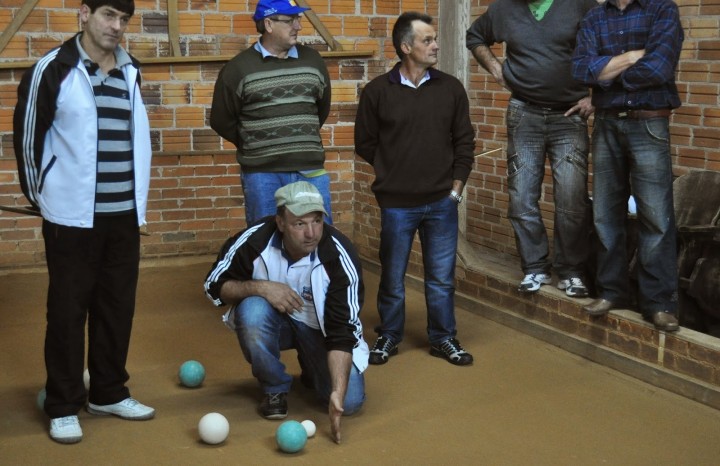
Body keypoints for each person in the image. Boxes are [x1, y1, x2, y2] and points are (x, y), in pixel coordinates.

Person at [13, 0, 155, 444]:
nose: (117, 26)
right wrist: (46, 198)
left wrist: (134, 203)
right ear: (84, 13)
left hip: (123, 216)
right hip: (71, 219)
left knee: (116, 307)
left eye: (124, 19)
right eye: (109, 15)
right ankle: (62, 403)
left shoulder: (131, 70)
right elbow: (27, 139)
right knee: (67, 312)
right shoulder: (53, 68)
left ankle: (108, 392)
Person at [203, 181, 367, 444]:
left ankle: (313, 368)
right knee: (252, 310)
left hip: (319, 333)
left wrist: (337, 391)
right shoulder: (255, 240)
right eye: (299, 223)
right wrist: (261, 287)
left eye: (317, 221)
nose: (311, 233)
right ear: (280, 222)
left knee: (349, 401)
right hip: (273, 323)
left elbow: (342, 332)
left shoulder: (338, 255)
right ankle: (274, 388)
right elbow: (213, 286)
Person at [354, 12, 475, 367]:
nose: (435, 45)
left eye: (435, 38)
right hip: (397, 204)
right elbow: (365, 142)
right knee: (392, 277)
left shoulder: (451, 88)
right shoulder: (378, 91)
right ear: (406, 47)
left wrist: (455, 191)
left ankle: (443, 338)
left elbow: (464, 142)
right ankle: (389, 335)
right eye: (427, 40)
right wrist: (393, 170)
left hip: (441, 202)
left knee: (441, 280)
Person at [465, 0, 597, 298]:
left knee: (571, 199)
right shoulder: (504, 8)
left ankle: (571, 271)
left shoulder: (580, 4)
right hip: (524, 113)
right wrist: (496, 69)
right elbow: (475, 36)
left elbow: (608, 42)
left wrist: (596, 96)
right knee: (521, 196)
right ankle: (535, 266)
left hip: (569, 116)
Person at [572, 0, 684, 331]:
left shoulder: (662, 9)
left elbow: (659, 68)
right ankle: (611, 292)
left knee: (656, 216)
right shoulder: (594, 17)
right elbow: (580, 70)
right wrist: (635, 56)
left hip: (649, 122)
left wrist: (605, 73)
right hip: (606, 123)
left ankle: (659, 303)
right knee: (605, 213)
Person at [210, 0, 333, 226]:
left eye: (298, 19)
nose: (298, 26)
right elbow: (221, 120)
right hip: (262, 173)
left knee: (318, 237)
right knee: (264, 238)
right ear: (268, 24)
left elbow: (321, 109)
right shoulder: (238, 68)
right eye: (290, 21)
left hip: (310, 169)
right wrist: (255, 142)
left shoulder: (313, 61)